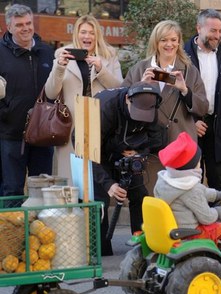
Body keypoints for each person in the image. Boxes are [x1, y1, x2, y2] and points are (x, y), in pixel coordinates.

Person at [154, 132, 221, 286]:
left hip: (174, 229)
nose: (199, 164)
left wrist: (218, 194)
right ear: (190, 166)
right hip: (191, 233)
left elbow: (200, 191)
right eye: (197, 162)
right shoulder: (190, 190)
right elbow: (207, 218)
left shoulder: (168, 181)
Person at [45, 14, 123, 184]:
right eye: (83, 32)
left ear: (97, 35)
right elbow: (50, 93)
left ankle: (97, 210)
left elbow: (119, 89)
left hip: (101, 123)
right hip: (70, 123)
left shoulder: (109, 55)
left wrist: (101, 68)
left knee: (97, 179)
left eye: (91, 33)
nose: (87, 36)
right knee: (73, 179)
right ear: (76, 34)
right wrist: (59, 67)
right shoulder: (62, 54)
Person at [93, 82, 164, 256]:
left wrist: (140, 152)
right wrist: (108, 183)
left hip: (129, 157)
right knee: (100, 200)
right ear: (127, 99)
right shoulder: (104, 107)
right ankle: (102, 250)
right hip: (99, 154)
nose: (139, 118)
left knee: (139, 195)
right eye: (136, 113)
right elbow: (85, 149)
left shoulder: (151, 108)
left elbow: (158, 139)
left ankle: (140, 246)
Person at [123, 20, 208, 145]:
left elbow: (203, 107)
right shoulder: (140, 69)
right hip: (148, 143)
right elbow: (122, 102)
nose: (169, 44)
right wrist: (140, 86)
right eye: (164, 40)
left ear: (179, 42)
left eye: (173, 40)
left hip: (181, 143)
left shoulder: (190, 70)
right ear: (156, 42)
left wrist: (185, 91)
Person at [0, 4, 54, 196]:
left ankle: (38, 227)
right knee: (11, 189)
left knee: (42, 190)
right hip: (11, 134)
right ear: (9, 27)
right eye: (20, 24)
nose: (26, 28)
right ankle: (9, 227)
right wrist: (5, 113)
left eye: (29, 23)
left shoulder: (47, 52)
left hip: (43, 134)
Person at [184, 9, 221, 191]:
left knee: (219, 184)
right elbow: (173, 94)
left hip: (217, 128)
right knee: (192, 183)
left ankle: (220, 220)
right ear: (199, 28)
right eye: (213, 30)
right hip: (190, 129)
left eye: (220, 31)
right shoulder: (182, 54)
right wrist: (191, 122)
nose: (218, 35)